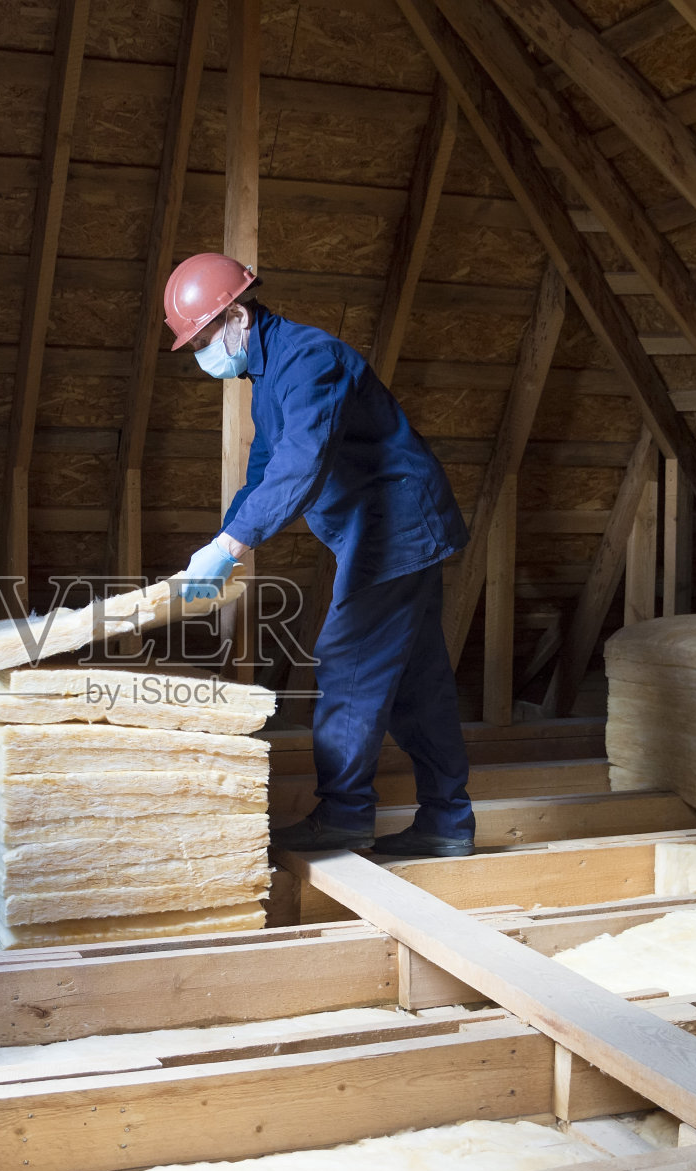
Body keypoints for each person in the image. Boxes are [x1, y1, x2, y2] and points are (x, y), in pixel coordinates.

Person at [167, 252, 475, 858]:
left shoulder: (311, 360)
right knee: (418, 684)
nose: (203, 352)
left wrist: (232, 547)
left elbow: (300, 463)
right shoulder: (268, 377)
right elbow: (263, 472)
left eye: (205, 337)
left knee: (347, 661)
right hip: (385, 531)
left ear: (236, 316)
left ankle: (344, 817)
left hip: (397, 528)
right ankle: (446, 823)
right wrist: (220, 544)